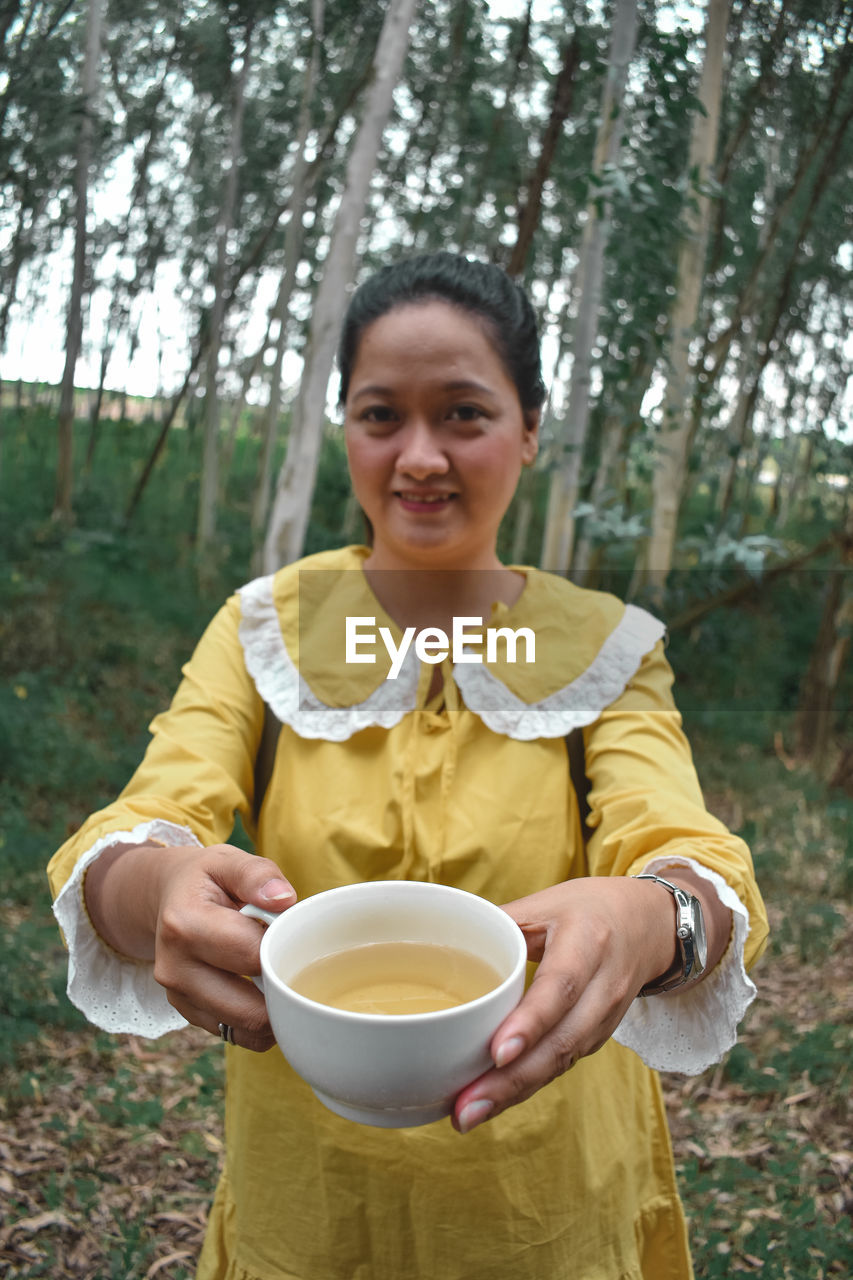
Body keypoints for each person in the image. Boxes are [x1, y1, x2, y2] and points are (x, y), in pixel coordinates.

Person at [48, 251, 768, 1280]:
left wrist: (657, 919)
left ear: (527, 431)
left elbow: (678, 840)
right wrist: (151, 887)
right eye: (381, 415)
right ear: (345, 426)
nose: (419, 455)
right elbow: (152, 811)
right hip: (309, 1195)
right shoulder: (265, 628)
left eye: (464, 414)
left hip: (546, 1200)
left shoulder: (607, 645)